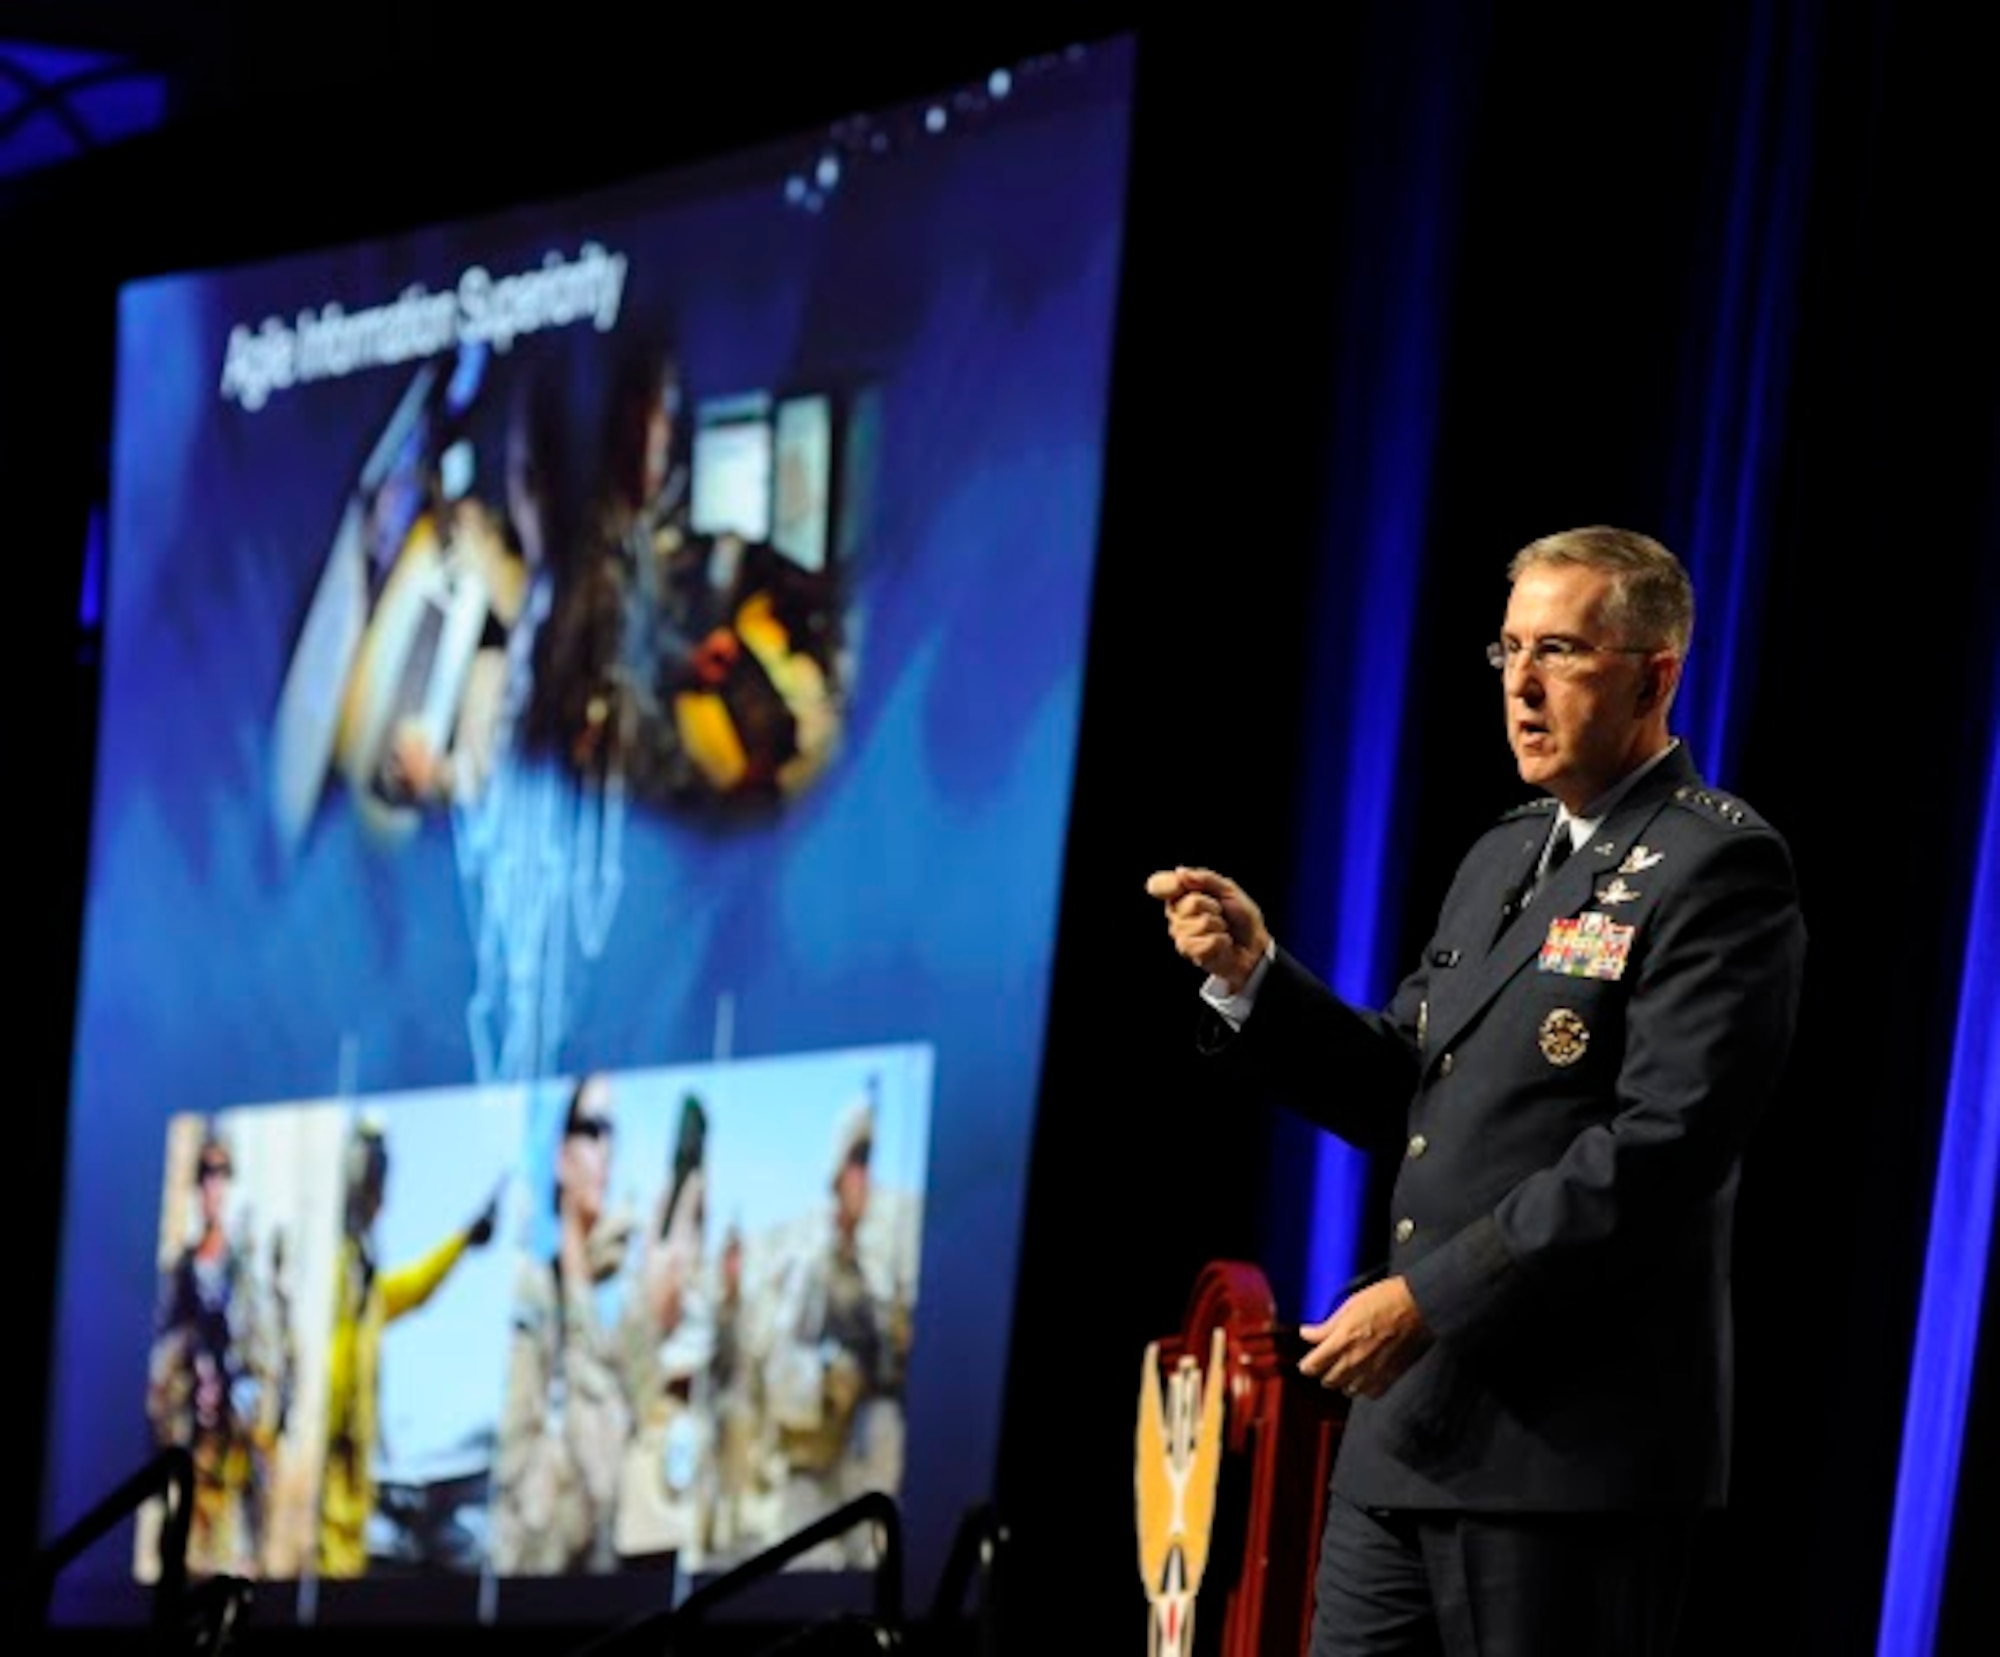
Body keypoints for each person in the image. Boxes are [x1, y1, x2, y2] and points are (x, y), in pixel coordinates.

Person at [1146, 526, 1807, 1657]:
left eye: (1558, 650)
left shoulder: (1716, 867)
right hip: (1408, 1434)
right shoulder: (1500, 856)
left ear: (1654, 676)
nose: (1521, 685)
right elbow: (1408, 1087)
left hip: (1568, 1457)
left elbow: (1659, 1149)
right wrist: (1255, 981)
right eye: (1505, 651)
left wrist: (1425, 1301)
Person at [316, 1114, 499, 1577]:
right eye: (376, 1175)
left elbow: (412, 1290)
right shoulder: (332, 1269)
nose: (384, 1196)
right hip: (325, 1489)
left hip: (352, 1497)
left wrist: (463, 1241)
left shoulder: (365, 1281)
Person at [490, 1072, 638, 1575]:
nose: (606, 1152)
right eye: (591, 1129)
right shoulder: (529, 1290)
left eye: (612, 1134)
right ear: (559, 1153)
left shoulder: (627, 1291)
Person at [761, 1079, 912, 1566]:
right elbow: (777, 1358)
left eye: (869, 1162)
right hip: (815, 1458)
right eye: (857, 1161)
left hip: (870, 1453)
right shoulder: (810, 1257)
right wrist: (828, 1379)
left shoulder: (888, 1248)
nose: (863, 1178)